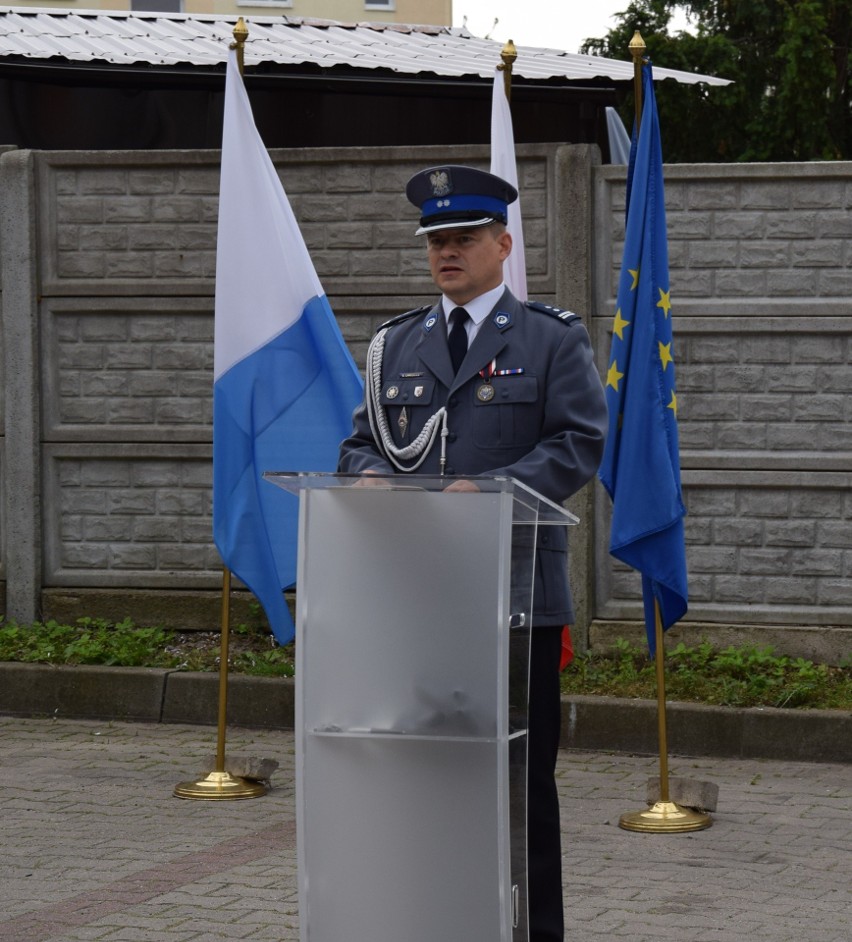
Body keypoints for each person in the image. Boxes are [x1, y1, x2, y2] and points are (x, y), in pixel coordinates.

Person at [337, 164, 608, 942]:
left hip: (516, 595)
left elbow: (579, 443)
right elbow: (361, 444)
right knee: (426, 773)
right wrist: (364, 481)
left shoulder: (550, 338)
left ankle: (533, 932)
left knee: (523, 784)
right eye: (435, 242)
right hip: (415, 598)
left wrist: (492, 491)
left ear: (502, 245)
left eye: (461, 240)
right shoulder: (396, 344)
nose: (446, 253)